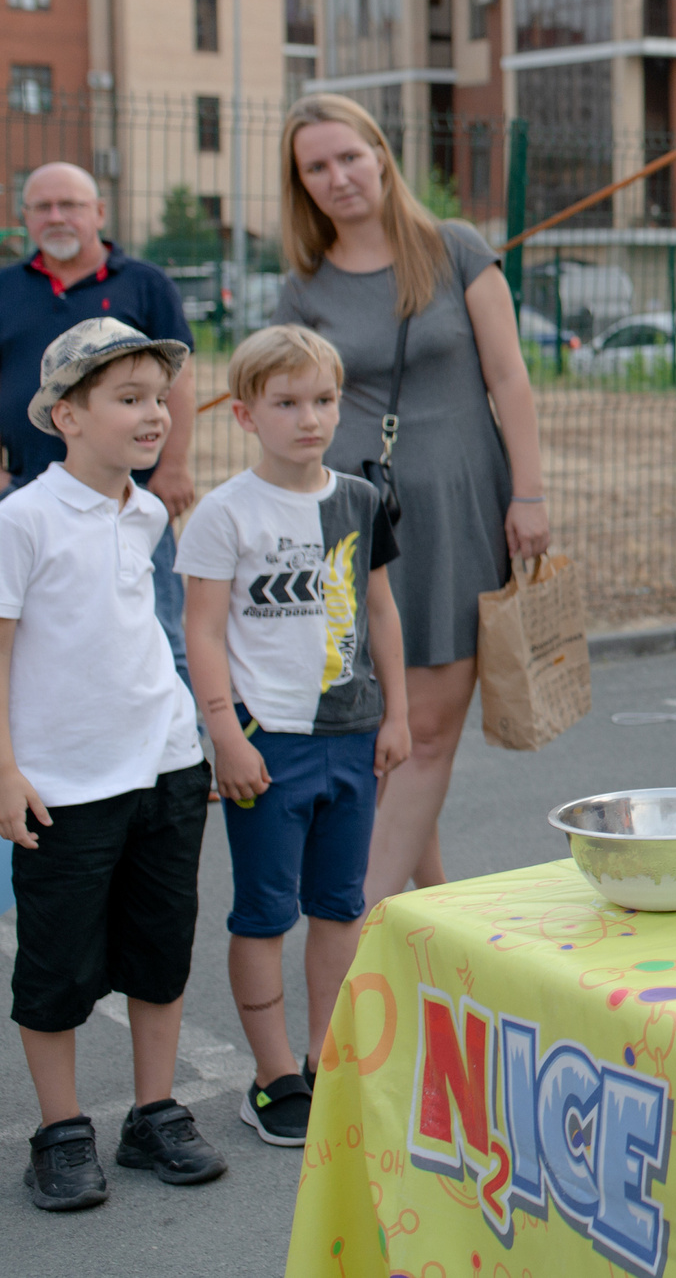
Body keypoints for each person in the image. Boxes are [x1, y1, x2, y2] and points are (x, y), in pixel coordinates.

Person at [272, 94, 548, 902]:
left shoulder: (454, 249)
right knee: (385, 733)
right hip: (355, 523)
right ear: (301, 185)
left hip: (461, 509)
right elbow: (287, 405)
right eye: (316, 167)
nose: (338, 176)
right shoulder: (305, 287)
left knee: (425, 731)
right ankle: (425, 910)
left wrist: (528, 492)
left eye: (349, 156)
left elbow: (510, 378)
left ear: (382, 155)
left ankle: (358, 926)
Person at [0, 319, 227, 1210]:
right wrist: (6, 768)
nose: (155, 414)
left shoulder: (145, 513)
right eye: (127, 399)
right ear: (67, 416)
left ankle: (153, 1112)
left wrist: (194, 741)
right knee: (56, 967)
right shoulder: (22, 518)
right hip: (65, 785)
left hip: (166, 766)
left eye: (159, 398)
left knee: (161, 949)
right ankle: (59, 1130)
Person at [178, 325, 409, 1148]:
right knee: (265, 914)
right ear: (243, 413)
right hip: (267, 743)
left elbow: (380, 609)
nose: (309, 418)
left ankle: (323, 1057)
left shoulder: (358, 498)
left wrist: (399, 713)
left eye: (323, 400)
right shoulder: (222, 513)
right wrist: (225, 736)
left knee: (340, 907)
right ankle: (272, 1076)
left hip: (352, 735)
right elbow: (201, 631)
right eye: (286, 402)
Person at [0, 163, 198, 675]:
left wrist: (172, 467)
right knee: (35, 641)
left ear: (100, 213)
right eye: (42, 207)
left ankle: (176, 747)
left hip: (127, 496)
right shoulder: (5, 288)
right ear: (24, 217)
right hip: (24, 489)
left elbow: (180, 382)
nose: (57, 216)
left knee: (157, 632)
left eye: (71, 205)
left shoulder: (146, 285)